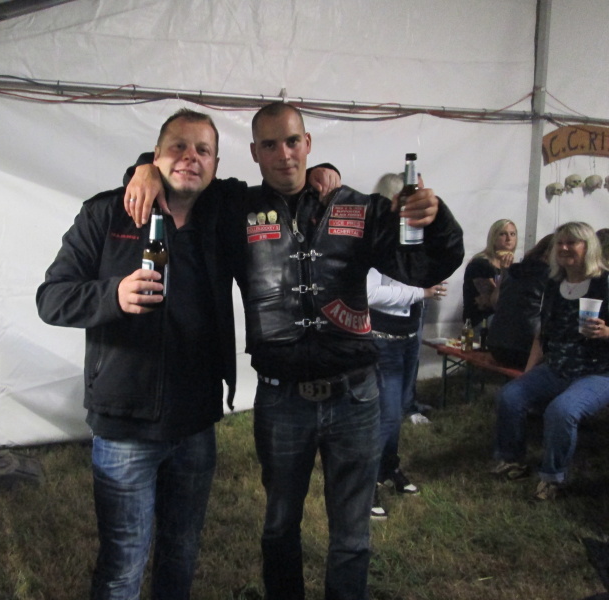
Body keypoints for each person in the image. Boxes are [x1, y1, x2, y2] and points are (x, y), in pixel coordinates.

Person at [126, 102, 464, 600]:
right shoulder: (234, 209)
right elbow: (184, 177)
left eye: (291, 142)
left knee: (352, 533)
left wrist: (434, 219)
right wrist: (144, 167)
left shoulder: (357, 207)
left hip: (356, 397)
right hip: (282, 399)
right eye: (269, 145)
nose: (283, 154)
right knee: (280, 525)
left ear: (307, 143)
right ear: (254, 153)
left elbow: (424, 266)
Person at [36, 109, 235, 600]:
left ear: (215, 164)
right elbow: (51, 298)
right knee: (123, 564)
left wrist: (323, 171)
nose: (190, 158)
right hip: (124, 426)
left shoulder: (221, 215)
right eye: (178, 147)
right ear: (156, 153)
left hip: (195, 424)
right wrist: (113, 295)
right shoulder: (107, 214)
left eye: (203, 150)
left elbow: (280, 185)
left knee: (181, 553)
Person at [492, 222, 609, 501]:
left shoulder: (604, 283)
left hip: (598, 372)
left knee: (561, 410)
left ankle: (553, 477)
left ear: (589, 247)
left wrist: (606, 332)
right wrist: (528, 374)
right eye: (560, 243)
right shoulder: (555, 283)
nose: (564, 248)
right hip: (557, 366)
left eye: (572, 243)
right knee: (510, 396)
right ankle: (512, 460)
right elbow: (542, 334)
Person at [366, 174, 449, 521]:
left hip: (406, 337)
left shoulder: (411, 239)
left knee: (397, 411)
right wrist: (421, 292)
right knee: (384, 417)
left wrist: (429, 277)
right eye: (407, 200)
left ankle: (388, 468)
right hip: (382, 340)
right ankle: (366, 483)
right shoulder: (374, 239)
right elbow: (370, 293)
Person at [487, 233, 553, 369]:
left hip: (496, 346)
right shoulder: (550, 277)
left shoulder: (513, 270)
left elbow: (495, 303)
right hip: (526, 350)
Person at [462, 218, 517, 326]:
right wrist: (504, 272)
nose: (509, 238)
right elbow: (495, 303)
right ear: (493, 237)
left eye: (512, 234)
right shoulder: (480, 264)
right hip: (481, 320)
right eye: (503, 234)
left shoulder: (512, 265)